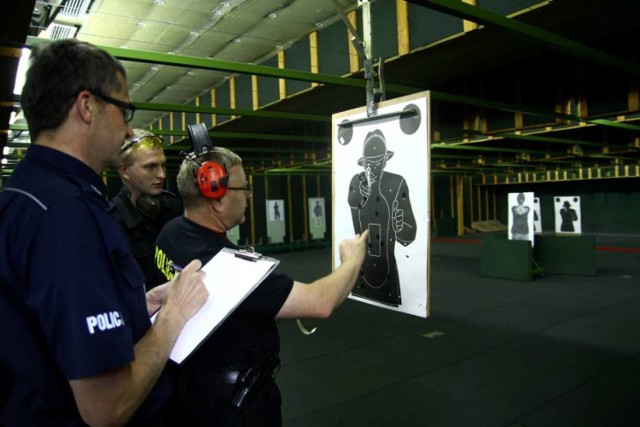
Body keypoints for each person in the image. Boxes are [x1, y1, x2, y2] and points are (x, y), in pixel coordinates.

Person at [0, 38, 208, 426]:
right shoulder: (67, 215)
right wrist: (173, 316)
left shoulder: (24, 194)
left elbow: (49, 319)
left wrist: (139, 306)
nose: (129, 129)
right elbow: (106, 405)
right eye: (124, 109)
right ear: (87, 106)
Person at [153, 146, 368, 426]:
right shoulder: (228, 266)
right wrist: (351, 261)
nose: (248, 196)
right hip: (234, 407)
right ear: (217, 198)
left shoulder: (171, 232)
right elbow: (321, 302)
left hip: (190, 391)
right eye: (244, 187)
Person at [347, 129, 417, 307]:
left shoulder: (397, 183)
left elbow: (409, 236)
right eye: (369, 164)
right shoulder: (357, 182)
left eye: (377, 162)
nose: (372, 169)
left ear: (385, 160)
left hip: (387, 271)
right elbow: (355, 216)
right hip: (362, 271)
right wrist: (360, 198)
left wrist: (399, 226)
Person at [109, 128, 183, 289]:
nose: (162, 174)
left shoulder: (173, 206)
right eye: (151, 167)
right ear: (124, 171)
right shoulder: (111, 222)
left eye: (163, 165)